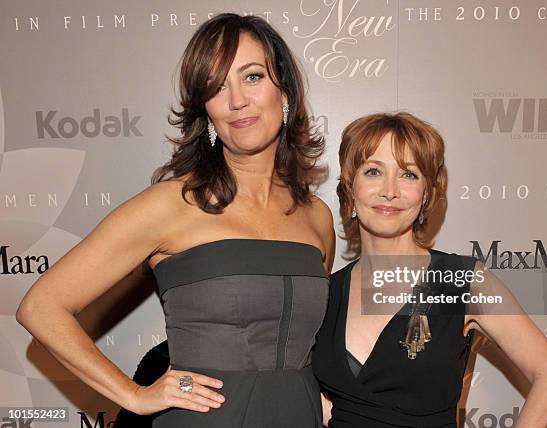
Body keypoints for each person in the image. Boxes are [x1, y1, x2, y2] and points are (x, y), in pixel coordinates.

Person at [16, 13, 334, 428]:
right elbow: (40, 307)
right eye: (217, 87)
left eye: (252, 77)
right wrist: (132, 394)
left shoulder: (316, 216)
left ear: (285, 91)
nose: (237, 99)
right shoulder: (170, 204)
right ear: (207, 111)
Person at [312, 112, 547, 427]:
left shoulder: (461, 281)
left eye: (409, 175)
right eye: (374, 171)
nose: (389, 190)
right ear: (351, 186)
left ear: (426, 194)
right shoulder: (325, 291)